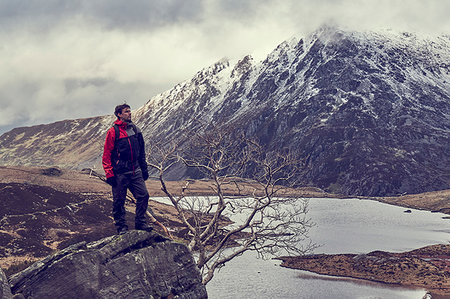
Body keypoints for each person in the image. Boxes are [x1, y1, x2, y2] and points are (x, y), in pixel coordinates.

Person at [102, 103, 153, 235]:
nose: (129, 113)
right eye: (126, 111)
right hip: (120, 173)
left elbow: (142, 152)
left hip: (135, 171)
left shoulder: (136, 130)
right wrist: (109, 174)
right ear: (119, 114)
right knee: (119, 201)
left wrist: (144, 169)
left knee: (144, 195)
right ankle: (121, 228)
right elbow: (106, 154)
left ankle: (140, 223)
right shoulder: (113, 132)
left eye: (129, 111)